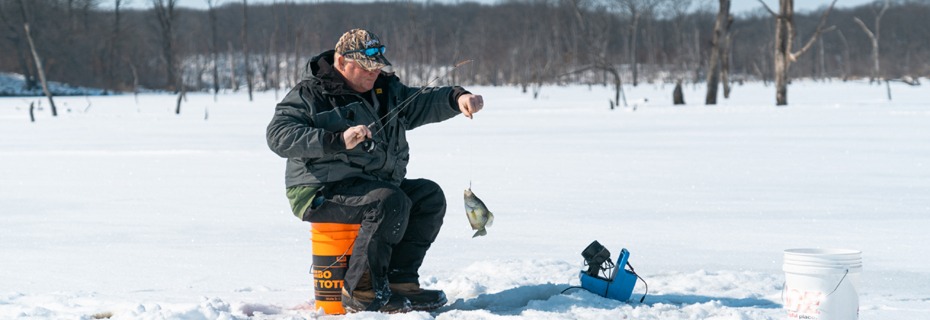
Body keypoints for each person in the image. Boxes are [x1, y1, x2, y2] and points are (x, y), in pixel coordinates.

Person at [266, 29, 484, 313]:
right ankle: (362, 292)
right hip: (318, 190)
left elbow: (421, 101)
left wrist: (458, 99)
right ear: (342, 62)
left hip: (371, 185)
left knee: (427, 196)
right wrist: (337, 140)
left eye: (378, 66)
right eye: (366, 68)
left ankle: (400, 283)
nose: (373, 73)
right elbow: (278, 135)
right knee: (387, 201)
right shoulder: (311, 94)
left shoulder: (386, 90)